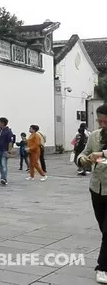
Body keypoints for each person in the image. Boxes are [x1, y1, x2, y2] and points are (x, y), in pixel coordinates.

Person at [76, 104, 107, 284]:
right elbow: (84, 154)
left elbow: (100, 156)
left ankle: (102, 267)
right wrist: (83, 160)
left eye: (106, 121)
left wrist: (101, 155)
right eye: (99, 121)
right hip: (96, 189)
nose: (102, 124)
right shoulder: (94, 136)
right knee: (104, 229)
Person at [0, 117, 14, 185]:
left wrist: (9, 152)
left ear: (2, 123)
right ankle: (2, 177)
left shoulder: (8, 131)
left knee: (4, 165)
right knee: (0, 166)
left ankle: (4, 179)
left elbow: (10, 142)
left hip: (4, 151)